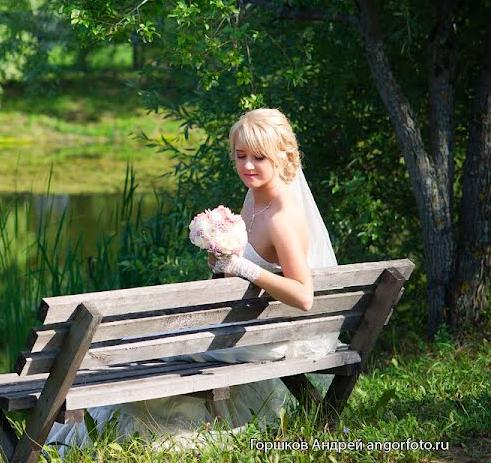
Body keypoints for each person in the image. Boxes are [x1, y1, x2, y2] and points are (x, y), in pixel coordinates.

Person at [46, 108, 340, 452]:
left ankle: (129, 427)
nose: (247, 167)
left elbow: (305, 297)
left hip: (271, 337)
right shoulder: (255, 198)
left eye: (258, 158)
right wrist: (222, 258)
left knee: (156, 342)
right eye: (240, 156)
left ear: (283, 156)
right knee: (154, 338)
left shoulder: (282, 218)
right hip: (257, 327)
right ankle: (124, 421)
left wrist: (244, 269)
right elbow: (244, 264)